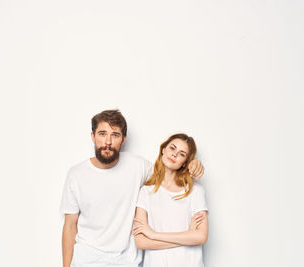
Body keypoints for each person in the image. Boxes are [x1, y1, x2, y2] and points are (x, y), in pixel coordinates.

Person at [60, 110, 205, 267]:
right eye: (102, 134)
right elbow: (69, 226)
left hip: (126, 260)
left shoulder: (138, 166)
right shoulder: (76, 174)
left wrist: (192, 164)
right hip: (87, 258)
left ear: (123, 140)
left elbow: (166, 176)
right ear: (93, 136)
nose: (108, 141)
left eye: (115, 135)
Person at [132, 133, 208, 267]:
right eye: (172, 148)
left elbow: (200, 237)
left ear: (185, 162)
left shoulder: (195, 192)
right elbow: (141, 242)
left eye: (182, 154)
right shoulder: (145, 192)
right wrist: (188, 236)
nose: (174, 154)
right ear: (163, 149)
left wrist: (153, 234)